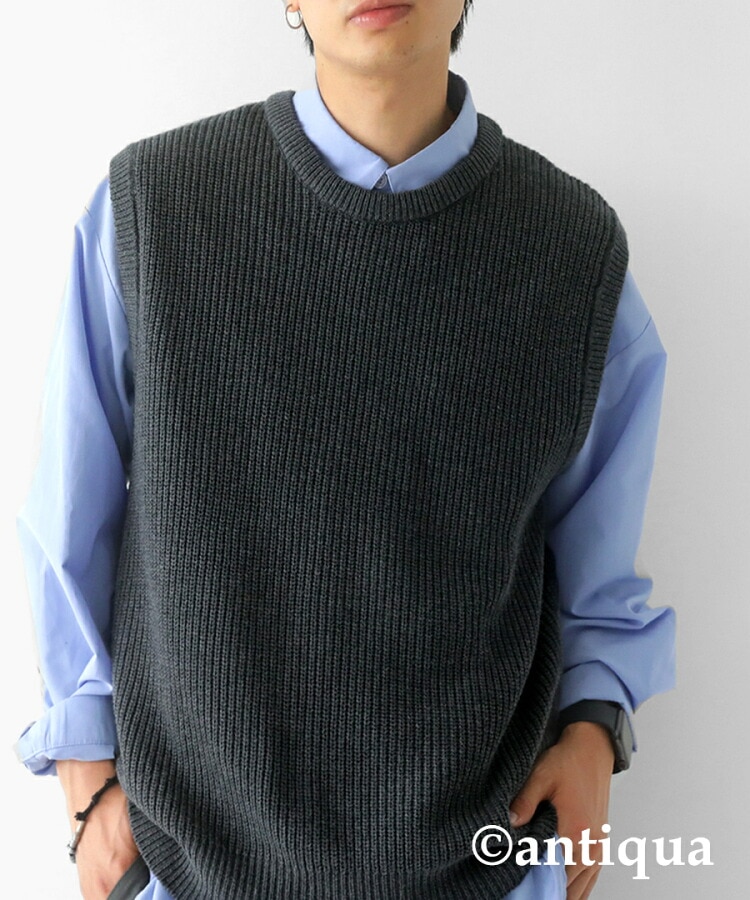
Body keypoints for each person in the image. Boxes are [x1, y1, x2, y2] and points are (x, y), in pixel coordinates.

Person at [15, 2, 676, 898]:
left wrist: (595, 733)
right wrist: (87, 779)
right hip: (182, 865)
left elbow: (599, 572)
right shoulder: (154, 207)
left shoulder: (573, 252)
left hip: (483, 864)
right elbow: (68, 523)